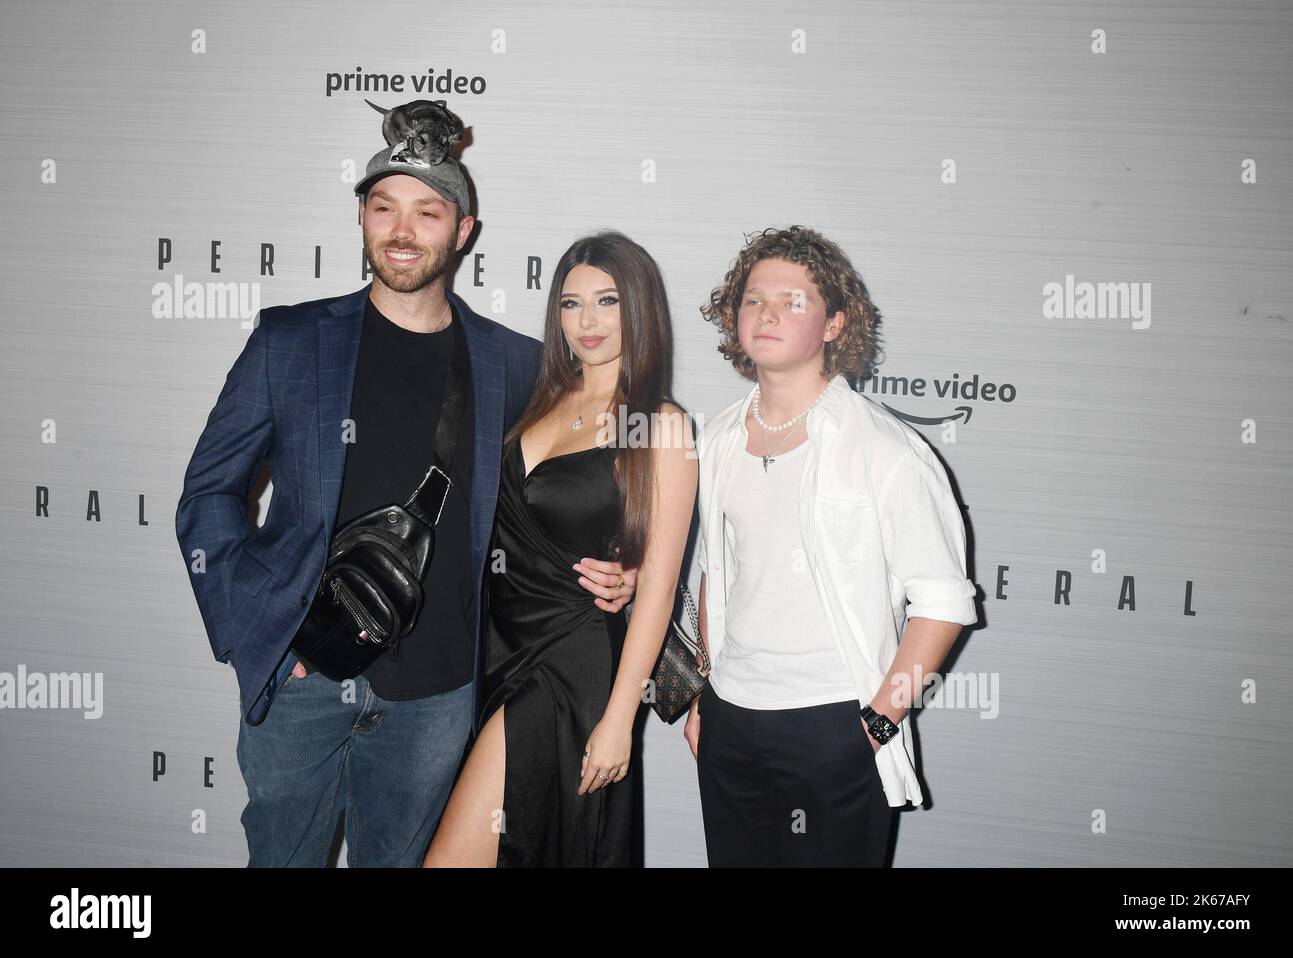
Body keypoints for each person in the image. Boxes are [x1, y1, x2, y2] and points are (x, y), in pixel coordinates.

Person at [174, 101, 636, 867]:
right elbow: (207, 494)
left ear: (463, 232)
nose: (401, 229)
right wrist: (259, 625)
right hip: (303, 680)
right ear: (361, 216)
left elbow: (578, 481)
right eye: (384, 207)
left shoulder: (514, 365)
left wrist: (631, 569)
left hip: (440, 690)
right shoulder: (290, 341)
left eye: (427, 212)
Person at [684, 225, 978, 867]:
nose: (767, 314)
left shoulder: (885, 450)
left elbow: (944, 603)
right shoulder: (718, 439)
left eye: (794, 301)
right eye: (754, 299)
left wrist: (876, 724)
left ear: (836, 323)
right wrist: (705, 690)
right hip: (730, 719)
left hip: (835, 723)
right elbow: (715, 572)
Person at [424, 231, 698, 867]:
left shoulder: (660, 424)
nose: (588, 321)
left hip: (568, 669)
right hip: (497, 651)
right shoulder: (538, 397)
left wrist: (619, 718)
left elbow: (657, 586)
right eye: (571, 304)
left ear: (640, 307)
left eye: (607, 301)